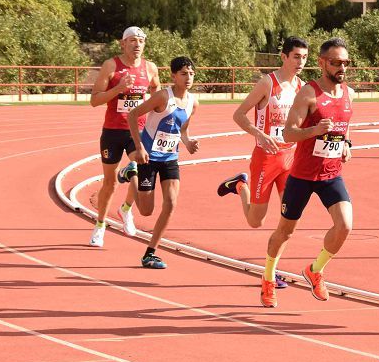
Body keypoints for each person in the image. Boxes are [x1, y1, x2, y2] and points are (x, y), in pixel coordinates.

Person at [258, 38, 355, 308]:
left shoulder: (349, 93)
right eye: (336, 62)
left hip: (331, 174)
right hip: (302, 175)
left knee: (345, 225)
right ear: (322, 63)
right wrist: (314, 130)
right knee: (285, 232)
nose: (341, 67)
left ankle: (315, 270)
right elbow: (289, 133)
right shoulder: (309, 94)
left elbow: (345, 126)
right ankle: (267, 277)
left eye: (345, 63)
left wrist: (346, 143)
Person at [217, 37, 309, 239]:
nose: (300, 62)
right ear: (284, 56)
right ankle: (240, 185)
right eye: (296, 57)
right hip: (266, 159)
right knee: (255, 221)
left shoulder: (303, 88)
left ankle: (272, 260)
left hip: (290, 159)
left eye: (304, 57)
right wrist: (260, 134)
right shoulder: (267, 83)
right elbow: (238, 115)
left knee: (291, 215)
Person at [121, 56, 200, 269]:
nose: (188, 77)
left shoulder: (193, 102)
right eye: (183, 73)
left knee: (171, 203)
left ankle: (150, 253)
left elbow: (182, 129)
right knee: (146, 210)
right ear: (173, 76)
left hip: (170, 158)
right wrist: (139, 148)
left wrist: (188, 142)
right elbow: (133, 115)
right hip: (149, 158)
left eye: (191, 73)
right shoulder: (163, 97)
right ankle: (132, 174)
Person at [88, 26, 161, 247]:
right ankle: (100, 225)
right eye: (132, 41)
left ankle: (126, 209)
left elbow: (157, 94)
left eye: (141, 41)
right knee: (110, 183)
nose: (137, 44)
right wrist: (118, 89)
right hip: (112, 131)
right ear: (123, 44)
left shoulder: (150, 68)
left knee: (141, 166)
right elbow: (94, 100)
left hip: (137, 131)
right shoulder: (111, 65)